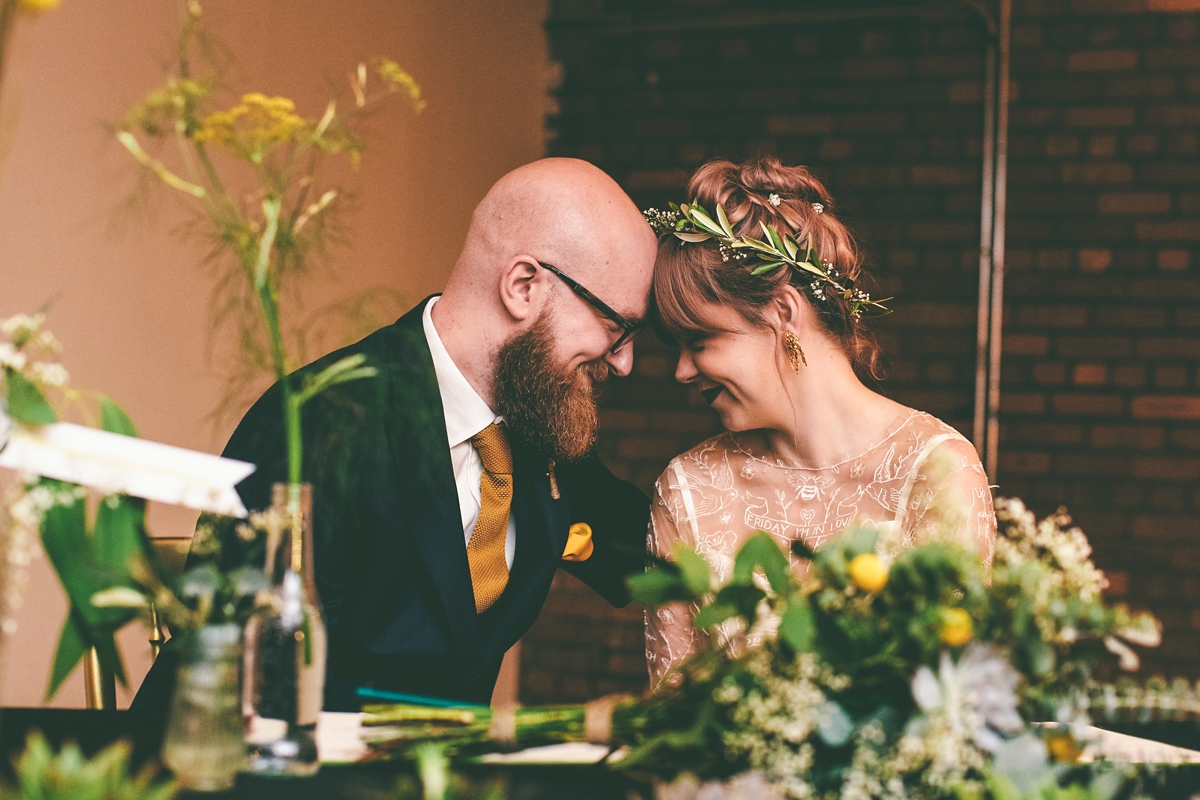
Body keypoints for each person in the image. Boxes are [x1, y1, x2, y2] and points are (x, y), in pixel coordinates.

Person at [135, 157, 658, 710]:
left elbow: (661, 556)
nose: (624, 362)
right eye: (614, 326)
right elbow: (245, 680)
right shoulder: (317, 423)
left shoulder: (540, 425)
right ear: (523, 286)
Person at [643, 156, 997, 687]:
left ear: (783, 312)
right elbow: (669, 720)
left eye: (700, 341)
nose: (682, 371)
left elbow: (958, 705)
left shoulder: (936, 472)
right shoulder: (689, 490)